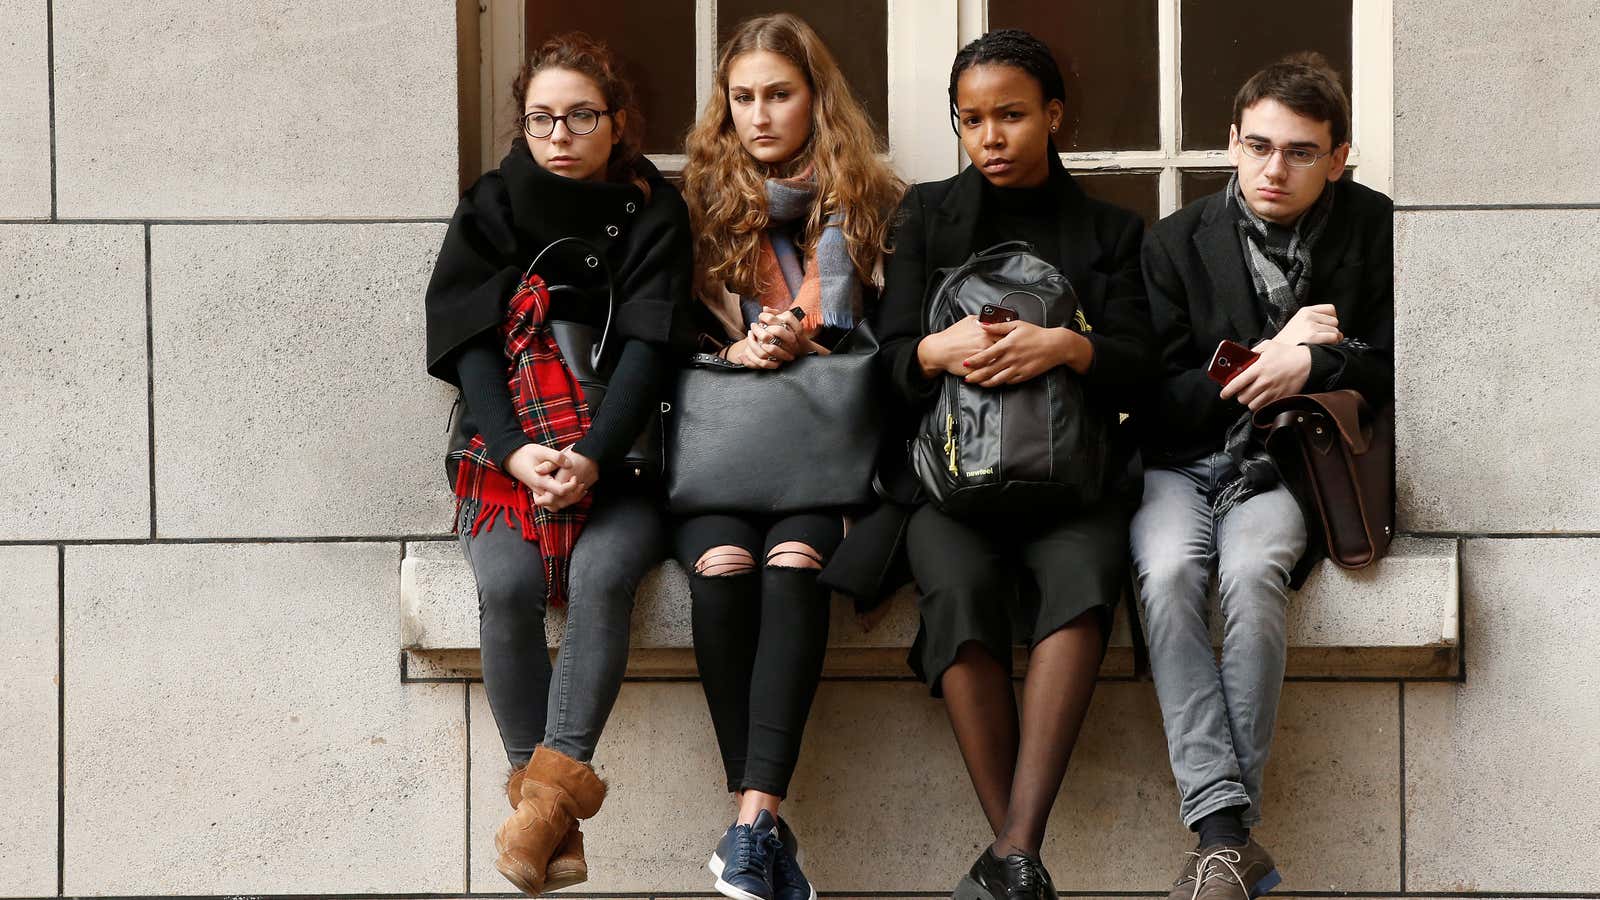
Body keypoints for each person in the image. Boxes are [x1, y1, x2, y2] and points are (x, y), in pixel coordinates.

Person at [876, 29, 1155, 900]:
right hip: (948, 487)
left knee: (1082, 578)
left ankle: (1013, 852)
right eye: (971, 120)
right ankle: (1019, 861)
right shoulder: (923, 217)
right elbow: (879, 369)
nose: (990, 136)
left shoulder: (1110, 229)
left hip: (1074, 486)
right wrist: (934, 349)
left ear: (1054, 115)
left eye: (1011, 115)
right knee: (955, 591)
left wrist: (1068, 346)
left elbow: (1145, 362)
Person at [422, 32, 693, 897]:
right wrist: (516, 451)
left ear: (616, 122)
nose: (560, 134)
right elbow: (469, 341)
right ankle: (550, 815)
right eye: (542, 118)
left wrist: (589, 456)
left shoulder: (654, 208)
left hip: (619, 459)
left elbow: (650, 347)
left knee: (606, 571)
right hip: (506, 456)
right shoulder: (493, 203)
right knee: (504, 585)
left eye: (580, 116)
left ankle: (536, 812)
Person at [1131, 52, 1393, 900]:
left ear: (1339, 156)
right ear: (1232, 144)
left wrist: (1316, 364)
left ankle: (1218, 838)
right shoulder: (1175, 240)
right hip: (1178, 463)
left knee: (1250, 571)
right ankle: (1232, 839)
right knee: (1168, 572)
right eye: (1258, 147)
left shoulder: (1373, 228)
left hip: (1288, 470)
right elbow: (1156, 399)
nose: (1274, 169)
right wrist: (1270, 354)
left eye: (1301, 151)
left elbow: (1393, 365)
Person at [677, 13, 902, 900]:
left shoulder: (872, 204)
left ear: (817, 99)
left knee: (795, 558)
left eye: (779, 94)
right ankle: (761, 828)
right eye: (743, 98)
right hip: (723, 449)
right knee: (724, 560)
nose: (760, 115)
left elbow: (887, 336)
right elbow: (664, 334)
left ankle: (747, 824)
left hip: (823, 448)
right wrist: (734, 350)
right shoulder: (695, 207)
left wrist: (806, 340)